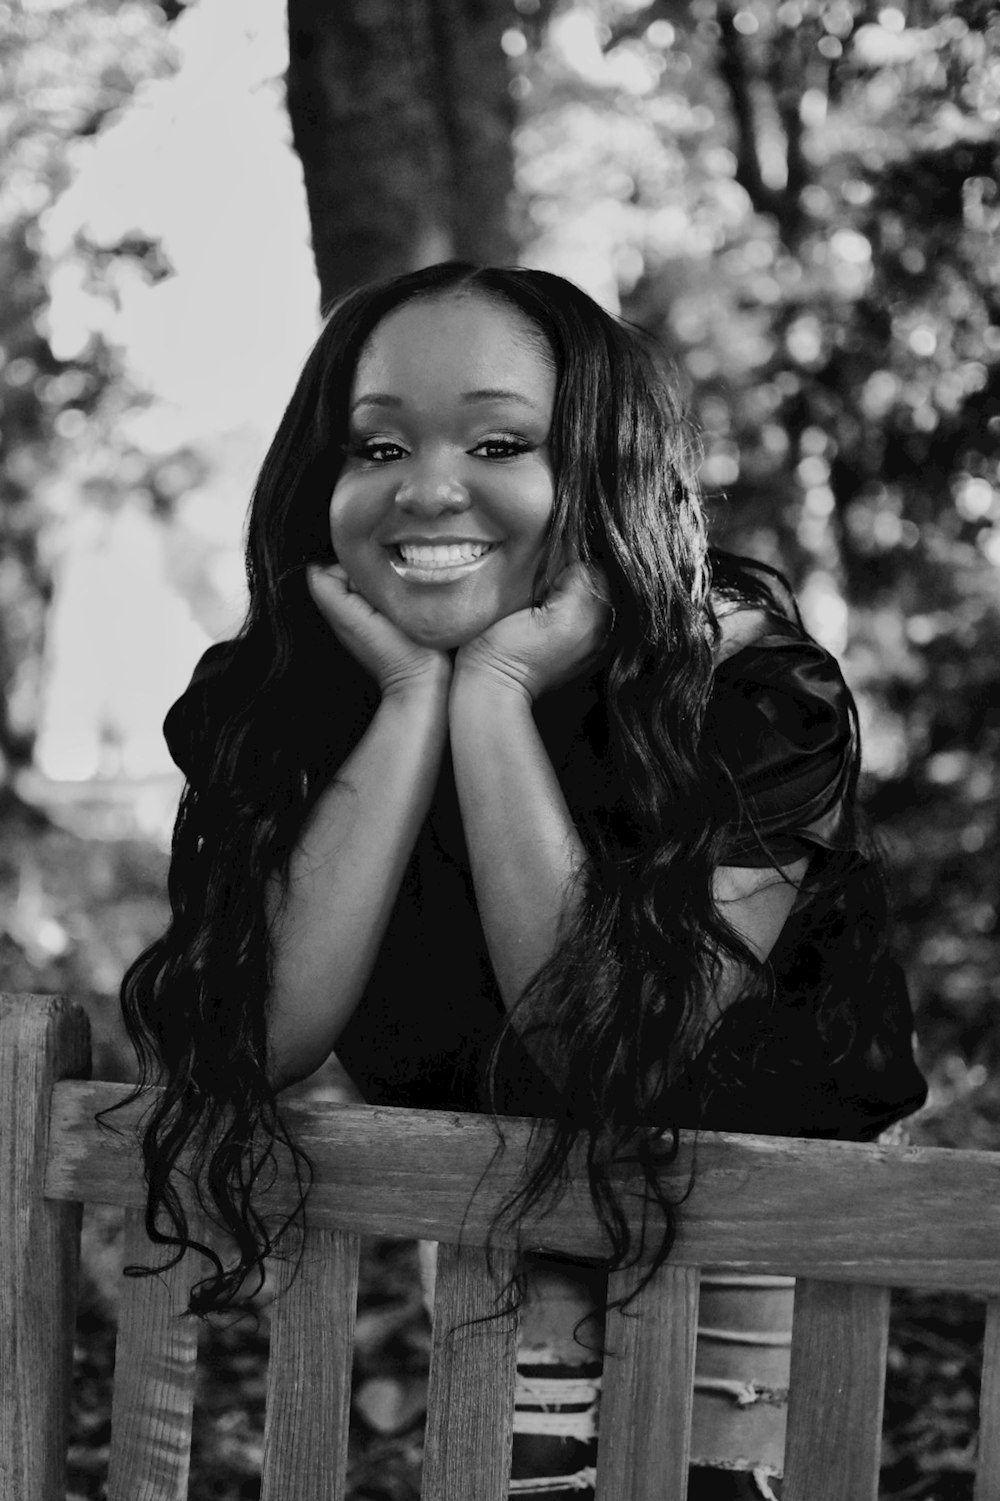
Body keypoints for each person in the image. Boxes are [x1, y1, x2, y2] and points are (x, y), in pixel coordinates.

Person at [119, 261, 927, 1498]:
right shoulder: (277, 699)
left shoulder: (749, 698)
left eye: (500, 439)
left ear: (603, 470)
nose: (427, 486)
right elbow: (258, 1031)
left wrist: (493, 700)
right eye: (375, 445)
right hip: (498, 1223)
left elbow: (611, 1049)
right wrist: (408, 706)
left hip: (754, 1235)